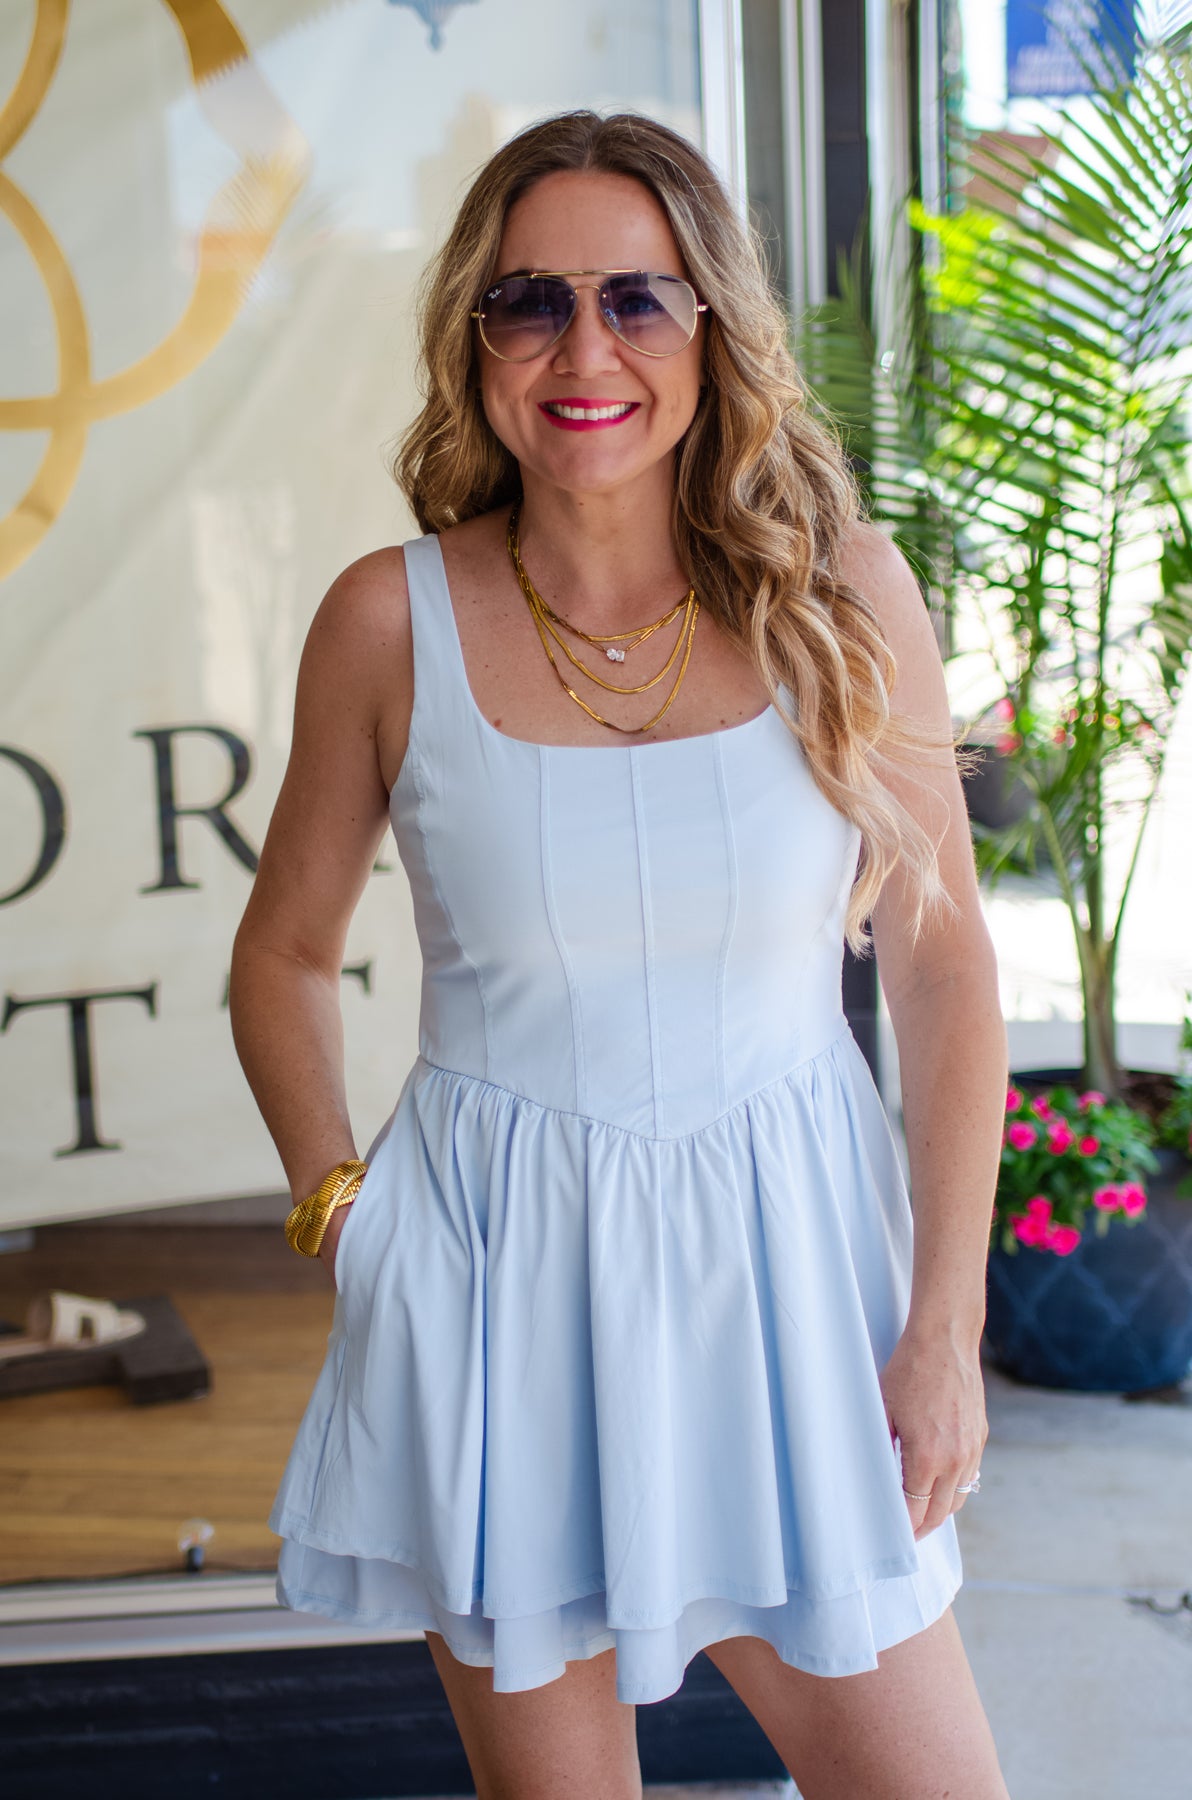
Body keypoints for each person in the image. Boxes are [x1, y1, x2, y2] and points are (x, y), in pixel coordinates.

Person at [229, 109, 1010, 1800]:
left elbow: (946, 973)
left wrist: (944, 1328)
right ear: (476, 337)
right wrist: (349, 1222)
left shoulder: (844, 597)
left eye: (637, 299)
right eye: (531, 302)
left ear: (713, 325)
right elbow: (281, 953)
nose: (585, 352)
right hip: (494, 1296)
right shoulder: (387, 618)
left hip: (795, 1292)